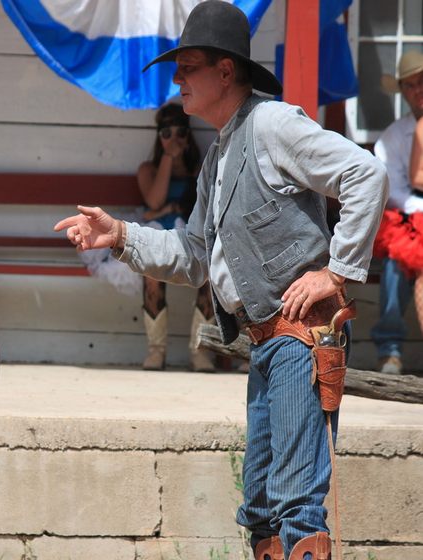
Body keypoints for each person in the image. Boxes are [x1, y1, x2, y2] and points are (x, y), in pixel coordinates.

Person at [54, 1, 388, 558]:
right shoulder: (220, 154)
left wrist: (337, 272)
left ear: (226, 71)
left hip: (301, 335)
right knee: (260, 504)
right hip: (264, 343)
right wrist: (119, 235)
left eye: (189, 66)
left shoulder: (274, 123)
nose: (177, 78)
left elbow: (365, 174)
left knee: (293, 502)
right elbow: (194, 254)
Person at [137, 103, 218, 371]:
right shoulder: (148, 168)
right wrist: (169, 159)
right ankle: (156, 350)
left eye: (181, 132)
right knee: (150, 273)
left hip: (192, 237)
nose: (174, 139)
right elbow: (154, 200)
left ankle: (200, 351)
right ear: (158, 137)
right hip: (160, 236)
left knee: (211, 273)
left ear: (189, 135)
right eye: (166, 133)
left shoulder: (201, 168)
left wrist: (165, 209)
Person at [369, 50, 423, 376]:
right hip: (408, 216)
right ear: (403, 91)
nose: (418, 90)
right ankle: (389, 348)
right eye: (410, 85)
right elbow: (395, 191)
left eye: (422, 82)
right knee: (395, 259)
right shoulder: (392, 137)